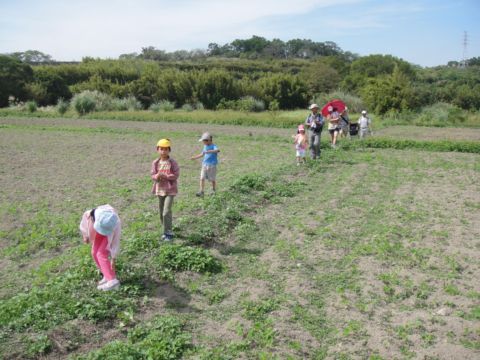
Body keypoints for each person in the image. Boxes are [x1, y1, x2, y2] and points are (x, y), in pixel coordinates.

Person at [79, 204, 122, 291]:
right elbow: (83, 225)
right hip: (99, 230)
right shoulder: (89, 215)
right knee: (94, 252)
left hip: (109, 233)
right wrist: (85, 235)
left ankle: (112, 280)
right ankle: (107, 275)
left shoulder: (114, 222)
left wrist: (113, 257)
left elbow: (116, 240)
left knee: (101, 253)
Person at [151, 138, 180, 241]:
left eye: (166, 149)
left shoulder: (172, 162)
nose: (163, 151)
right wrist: (157, 176)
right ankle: (165, 229)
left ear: (169, 150)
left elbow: (176, 175)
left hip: (170, 190)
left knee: (166, 211)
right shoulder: (155, 162)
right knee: (161, 212)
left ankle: (168, 233)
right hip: (160, 189)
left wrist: (166, 175)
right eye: (161, 149)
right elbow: (152, 175)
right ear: (157, 150)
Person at [191, 132, 220, 197]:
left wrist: (209, 151)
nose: (203, 142)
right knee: (202, 178)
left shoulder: (213, 146)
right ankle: (201, 191)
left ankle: (213, 190)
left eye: (204, 141)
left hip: (212, 165)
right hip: (204, 165)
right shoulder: (205, 146)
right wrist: (195, 157)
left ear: (209, 140)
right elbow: (202, 154)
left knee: (212, 179)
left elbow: (217, 150)